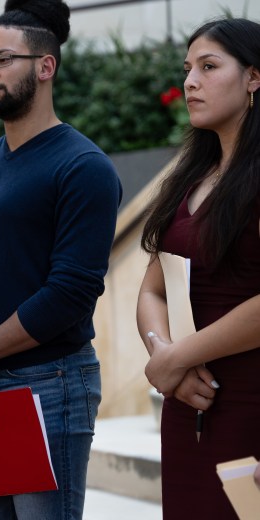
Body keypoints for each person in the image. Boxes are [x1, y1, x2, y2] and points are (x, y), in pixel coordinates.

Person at [0, 0, 122, 518]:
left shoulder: (84, 167)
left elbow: (70, 294)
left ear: (45, 66)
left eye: (3, 59)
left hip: (50, 383)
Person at [137, 17, 260, 520]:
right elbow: (153, 289)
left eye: (209, 67)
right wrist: (164, 354)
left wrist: (176, 357)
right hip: (190, 406)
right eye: (188, 68)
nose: (190, 81)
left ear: (254, 78)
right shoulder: (189, 177)